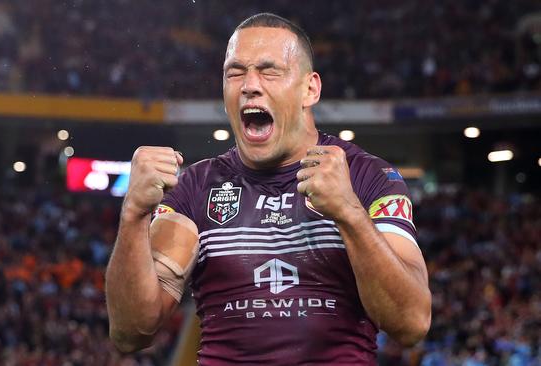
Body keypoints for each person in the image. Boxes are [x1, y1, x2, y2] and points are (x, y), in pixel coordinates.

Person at [106, 13, 431, 364]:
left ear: (310, 88)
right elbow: (130, 333)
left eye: (269, 70)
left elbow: (411, 324)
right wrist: (134, 215)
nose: (249, 85)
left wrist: (349, 213)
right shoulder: (195, 188)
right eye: (235, 72)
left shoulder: (370, 177)